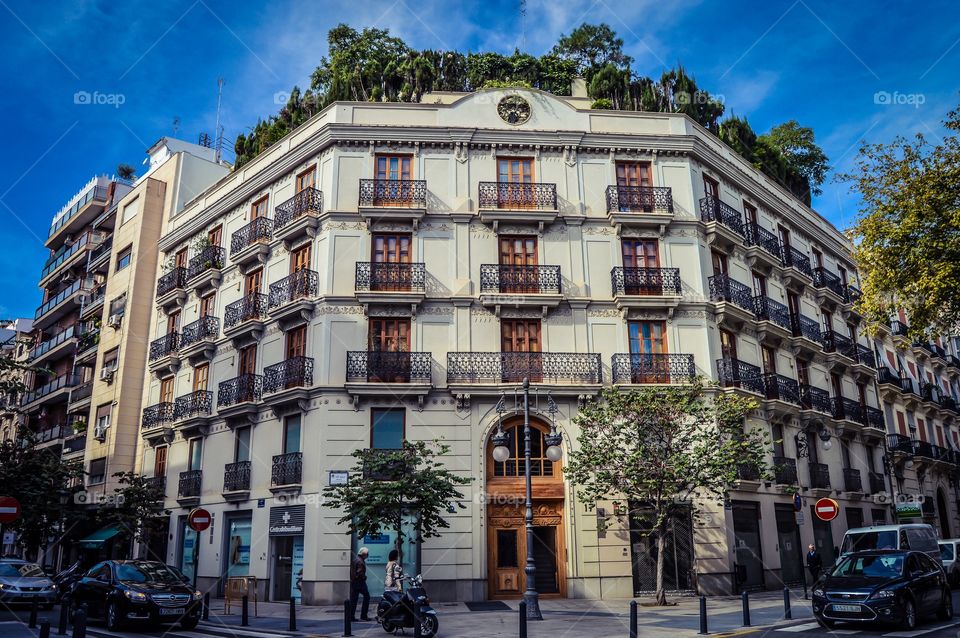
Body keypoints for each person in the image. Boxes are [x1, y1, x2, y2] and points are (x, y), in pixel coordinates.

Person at [350, 547, 371, 621]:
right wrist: (364, 577)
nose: (367, 555)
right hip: (360, 582)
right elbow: (359, 572)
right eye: (367, 554)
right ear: (364, 554)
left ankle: (351, 616)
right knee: (367, 597)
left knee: (354, 599)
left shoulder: (355, 560)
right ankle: (363, 615)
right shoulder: (360, 562)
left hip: (354, 582)